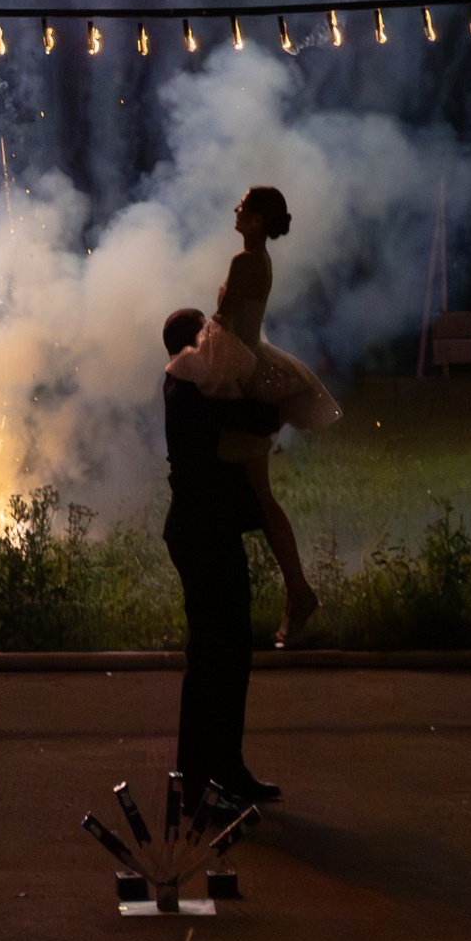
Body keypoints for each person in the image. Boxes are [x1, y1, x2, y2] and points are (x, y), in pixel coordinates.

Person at [161, 183, 338, 643]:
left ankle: (293, 593)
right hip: (251, 359)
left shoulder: (244, 262)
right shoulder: (260, 261)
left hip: (241, 367)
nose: (236, 210)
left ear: (257, 219)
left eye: (243, 206)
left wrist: (195, 363)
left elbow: (222, 324)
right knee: (259, 492)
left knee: (252, 490)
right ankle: (296, 593)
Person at [160, 303, 283, 818]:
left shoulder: (194, 386)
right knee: (212, 659)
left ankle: (227, 768)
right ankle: (197, 786)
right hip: (201, 534)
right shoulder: (192, 388)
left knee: (232, 656)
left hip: (208, 532)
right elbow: (262, 416)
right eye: (209, 337)